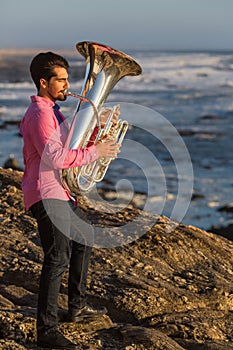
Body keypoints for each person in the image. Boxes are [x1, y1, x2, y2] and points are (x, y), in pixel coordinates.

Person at [20, 51, 121, 349]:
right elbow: (58, 158)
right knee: (57, 258)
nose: (67, 84)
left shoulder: (53, 111)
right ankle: (47, 330)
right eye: (60, 80)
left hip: (59, 192)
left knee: (84, 237)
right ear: (43, 82)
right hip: (46, 193)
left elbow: (71, 144)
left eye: (67, 78)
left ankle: (77, 308)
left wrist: (96, 131)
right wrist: (96, 153)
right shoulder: (39, 115)